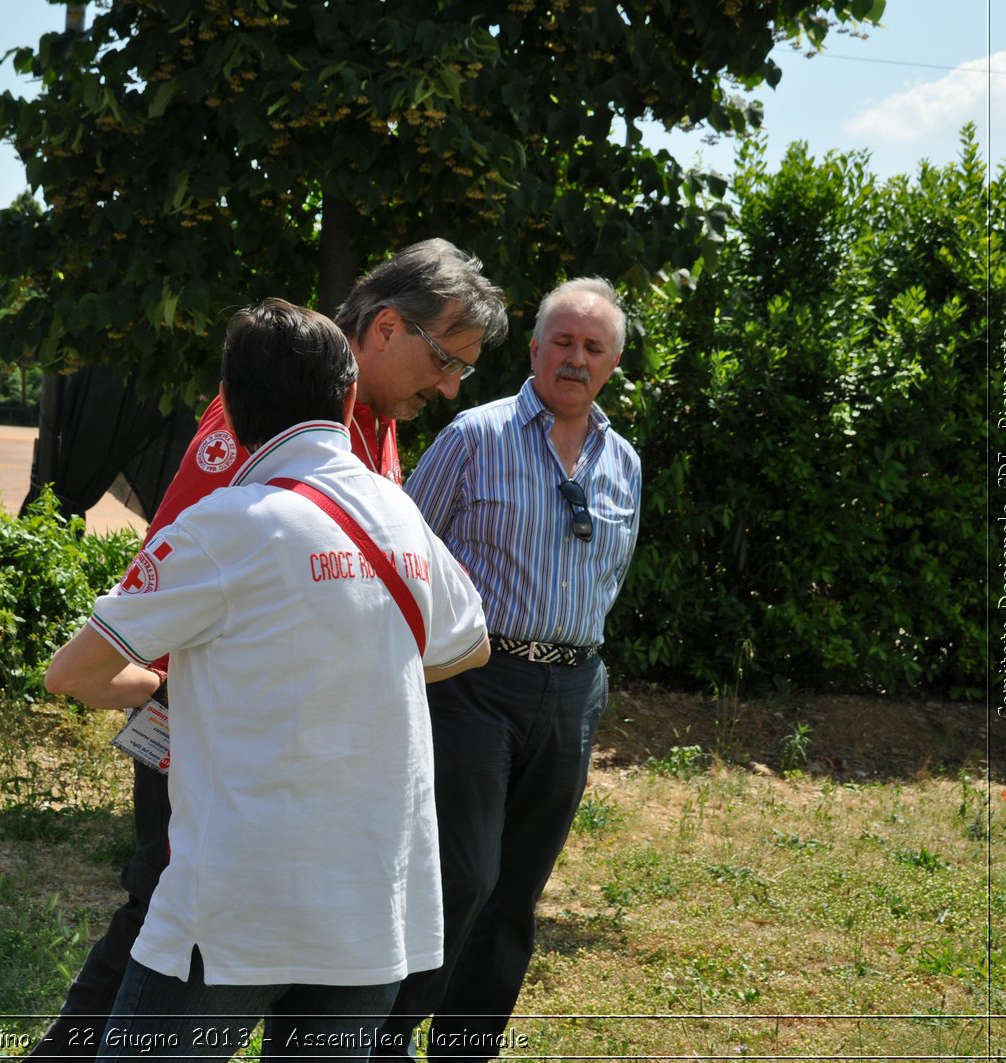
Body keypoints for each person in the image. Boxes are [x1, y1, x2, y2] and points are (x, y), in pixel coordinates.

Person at [31, 240, 508, 1058]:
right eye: (446, 359)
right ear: (384, 331)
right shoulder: (261, 429)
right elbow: (179, 561)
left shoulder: (374, 431)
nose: (453, 385)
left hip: (309, 767)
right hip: (211, 731)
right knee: (162, 912)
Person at [380, 277, 642, 1059]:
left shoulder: (624, 463)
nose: (575, 357)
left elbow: (609, 579)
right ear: (532, 350)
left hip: (571, 694)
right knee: (461, 877)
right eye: (562, 340)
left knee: (517, 895)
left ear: (612, 365)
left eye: (593, 347)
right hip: (475, 683)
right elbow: (406, 551)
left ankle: (465, 1051)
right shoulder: (473, 436)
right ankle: (383, 1042)